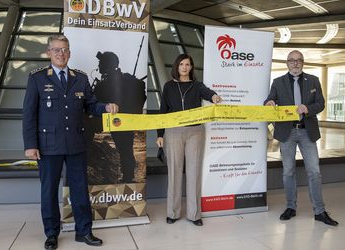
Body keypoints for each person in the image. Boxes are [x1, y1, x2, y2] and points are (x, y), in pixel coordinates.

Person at [22, 35, 119, 249]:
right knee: (48, 191)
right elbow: (29, 114)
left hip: (76, 143)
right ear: (48, 53)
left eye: (64, 49)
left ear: (70, 53)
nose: (61, 53)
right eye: (56, 50)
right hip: (48, 145)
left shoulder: (80, 79)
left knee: (80, 189)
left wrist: (105, 107)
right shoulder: (37, 78)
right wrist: (30, 145)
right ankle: (52, 234)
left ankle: (84, 231)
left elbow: (91, 105)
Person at [264, 50, 338, 226]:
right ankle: (290, 207)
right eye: (292, 60)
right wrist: (269, 103)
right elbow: (269, 101)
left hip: (307, 131)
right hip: (287, 132)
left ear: (303, 63)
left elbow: (321, 103)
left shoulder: (313, 80)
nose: (295, 63)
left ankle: (319, 211)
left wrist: (308, 109)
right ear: (287, 63)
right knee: (288, 171)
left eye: (299, 60)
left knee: (314, 172)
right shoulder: (278, 82)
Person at [156, 54, 222, 226]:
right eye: (182, 64)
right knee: (174, 172)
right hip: (173, 132)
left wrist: (214, 96)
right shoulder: (169, 86)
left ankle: (194, 215)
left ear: (191, 67)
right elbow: (163, 111)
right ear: (177, 67)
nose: (185, 67)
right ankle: (173, 212)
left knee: (194, 172)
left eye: (188, 64)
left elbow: (207, 93)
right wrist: (159, 134)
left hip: (195, 132)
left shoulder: (197, 85)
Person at [84, 51, 146, 183]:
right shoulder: (126, 79)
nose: (99, 66)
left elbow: (95, 102)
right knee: (125, 148)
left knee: (124, 148)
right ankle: (128, 176)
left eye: (101, 63)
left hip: (115, 120)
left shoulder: (107, 82)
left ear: (107, 65)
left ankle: (125, 176)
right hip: (120, 120)